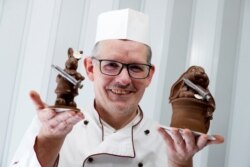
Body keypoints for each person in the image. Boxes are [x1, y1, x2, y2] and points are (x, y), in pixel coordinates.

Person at [10, 8, 224, 167]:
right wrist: (50, 138)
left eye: (136, 67)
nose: (124, 79)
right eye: (111, 65)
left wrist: (180, 163)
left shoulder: (169, 141)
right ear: (90, 69)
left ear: (149, 75)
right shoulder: (51, 124)